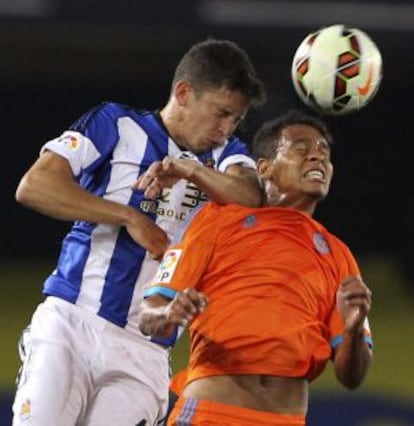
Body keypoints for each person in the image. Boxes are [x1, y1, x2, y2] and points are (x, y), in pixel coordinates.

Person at [12, 38, 266, 426]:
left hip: (146, 349)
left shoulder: (226, 155)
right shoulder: (115, 124)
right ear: (183, 93)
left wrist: (192, 169)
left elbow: (252, 198)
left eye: (235, 120)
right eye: (221, 113)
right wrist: (129, 217)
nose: (225, 128)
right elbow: (35, 186)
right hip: (73, 322)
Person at [138, 110, 373, 426]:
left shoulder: (338, 255)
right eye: (302, 149)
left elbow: (352, 377)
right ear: (265, 168)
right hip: (212, 415)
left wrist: (355, 327)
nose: (317, 158)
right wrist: (168, 315)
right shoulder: (217, 221)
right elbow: (149, 315)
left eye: (323, 153)